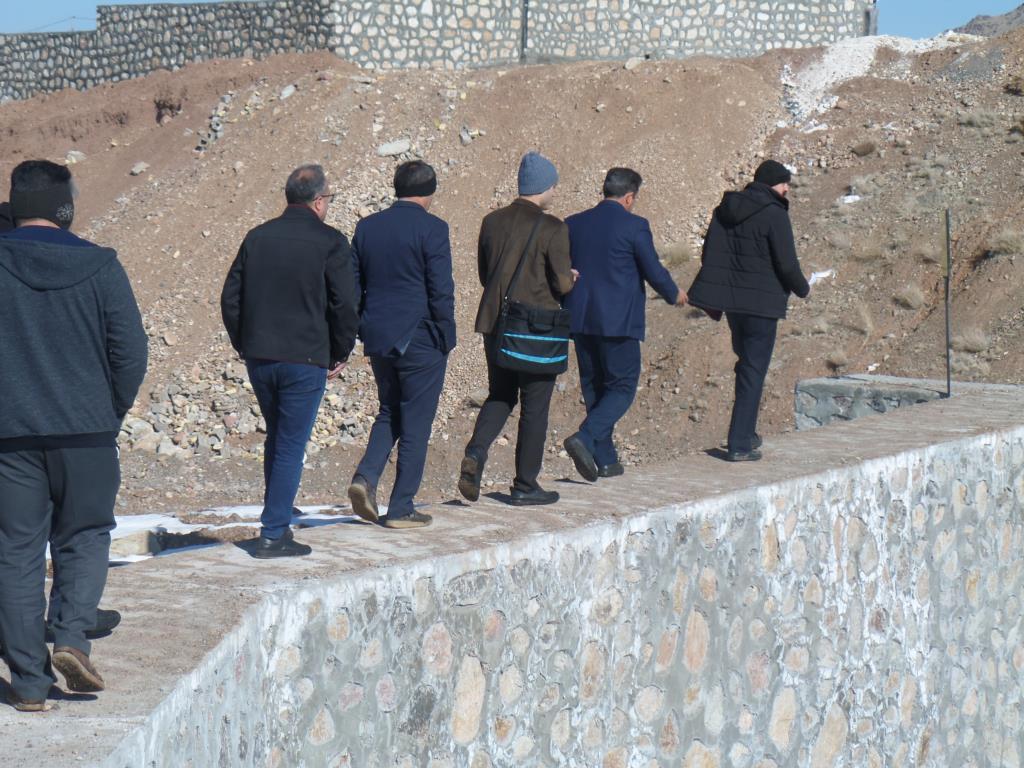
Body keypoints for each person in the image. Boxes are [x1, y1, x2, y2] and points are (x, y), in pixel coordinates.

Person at [0, 160, 148, 711]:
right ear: (64, 206)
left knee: (16, 551)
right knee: (84, 537)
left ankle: (28, 683)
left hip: (11, 438)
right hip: (87, 431)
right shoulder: (101, 265)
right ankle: (71, 638)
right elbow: (130, 353)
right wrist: (109, 411)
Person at [221, 164, 358, 556]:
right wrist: (341, 351)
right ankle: (273, 532)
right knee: (290, 444)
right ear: (318, 201)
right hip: (305, 357)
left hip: (260, 357)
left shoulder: (257, 237)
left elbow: (230, 298)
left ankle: (276, 515)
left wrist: (244, 342)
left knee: (278, 436)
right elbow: (345, 303)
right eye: (329, 198)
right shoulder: (331, 242)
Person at [459, 152, 576, 506]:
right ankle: (525, 485)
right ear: (544, 187)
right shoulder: (553, 227)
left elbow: (486, 274)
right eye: (553, 186)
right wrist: (570, 278)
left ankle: (476, 451)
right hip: (535, 330)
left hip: (496, 323)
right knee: (535, 406)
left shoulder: (491, 221)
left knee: (501, 393)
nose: (555, 192)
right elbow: (561, 284)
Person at [347, 161, 455, 529]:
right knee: (416, 423)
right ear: (431, 192)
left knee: (390, 410)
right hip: (420, 337)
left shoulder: (367, 227)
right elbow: (441, 288)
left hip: (379, 336)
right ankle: (401, 508)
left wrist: (361, 327)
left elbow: (353, 285)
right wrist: (446, 334)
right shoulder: (433, 228)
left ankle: (365, 478)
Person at [562, 167, 686, 481]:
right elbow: (652, 269)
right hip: (617, 321)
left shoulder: (573, 223)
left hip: (580, 318)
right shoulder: (635, 226)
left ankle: (606, 460)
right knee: (622, 386)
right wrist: (674, 294)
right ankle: (586, 437)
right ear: (629, 197)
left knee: (594, 386)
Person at [687, 160, 810, 462]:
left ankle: (747, 433)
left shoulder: (725, 209)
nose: (787, 190)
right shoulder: (774, 213)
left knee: (746, 366)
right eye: (785, 183)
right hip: (762, 305)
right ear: (774, 183)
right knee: (753, 370)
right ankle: (740, 442)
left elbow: (709, 252)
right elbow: (786, 263)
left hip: (733, 305)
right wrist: (803, 288)